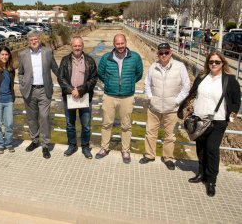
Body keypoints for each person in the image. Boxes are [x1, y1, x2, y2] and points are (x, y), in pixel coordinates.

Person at [178, 51, 240, 197]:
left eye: (217, 62)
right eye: (211, 62)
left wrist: (233, 113)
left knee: (212, 149)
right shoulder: (202, 77)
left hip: (217, 121)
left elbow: (237, 100)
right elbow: (193, 94)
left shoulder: (229, 80)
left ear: (223, 63)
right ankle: (201, 173)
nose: (213, 64)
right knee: (200, 149)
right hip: (198, 119)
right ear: (207, 63)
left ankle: (211, 181)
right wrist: (188, 108)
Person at [139, 43, 190, 170]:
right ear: (158, 54)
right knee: (150, 132)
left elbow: (186, 86)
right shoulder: (153, 66)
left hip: (171, 109)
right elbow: (147, 84)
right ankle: (149, 155)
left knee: (170, 135)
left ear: (170, 52)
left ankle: (168, 158)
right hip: (154, 108)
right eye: (161, 53)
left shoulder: (180, 66)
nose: (163, 55)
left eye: (166, 52)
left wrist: (176, 101)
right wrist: (151, 98)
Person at [96, 34, 143, 163]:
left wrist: (129, 83)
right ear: (114, 44)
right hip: (109, 95)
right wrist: (110, 82)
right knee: (106, 123)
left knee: (126, 125)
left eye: (122, 43)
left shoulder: (135, 57)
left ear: (126, 43)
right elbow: (100, 73)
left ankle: (125, 150)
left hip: (127, 97)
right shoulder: (106, 58)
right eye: (118, 44)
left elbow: (139, 74)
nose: (120, 46)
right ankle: (104, 148)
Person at [18, 31, 59, 159]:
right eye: (31, 40)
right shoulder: (22, 54)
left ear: (39, 39)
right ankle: (35, 140)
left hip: (44, 89)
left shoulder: (47, 52)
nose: (34, 41)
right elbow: (20, 72)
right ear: (28, 42)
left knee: (44, 116)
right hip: (29, 90)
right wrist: (22, 84)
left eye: (35, 39)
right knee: (31, 117)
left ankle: (45, 144)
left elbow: (55, 68)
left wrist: (65, 82)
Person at [58, 36, 98, 159]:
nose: (77, 48)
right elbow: (60, 78)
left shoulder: (90, 60)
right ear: (71, 46)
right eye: (75, 45)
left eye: (79, 45)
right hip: (69, 97)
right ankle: (72, 145)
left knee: (86, 125)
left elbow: (94, 78)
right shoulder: (65, 60)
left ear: (82, 46)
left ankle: (85, 147)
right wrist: (71, 90)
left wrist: (80, 90)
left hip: (84, 96)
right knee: (70, 124)